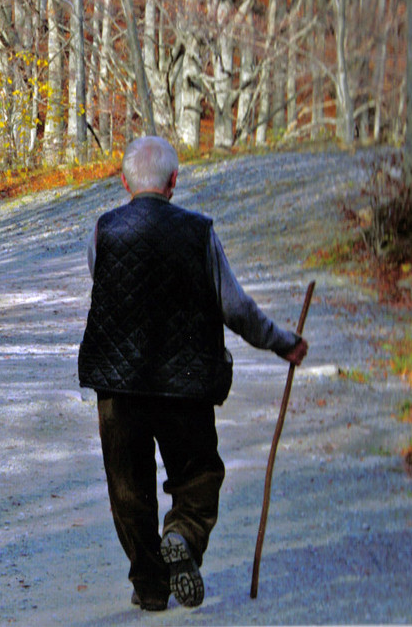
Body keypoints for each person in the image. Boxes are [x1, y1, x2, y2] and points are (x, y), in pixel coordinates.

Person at [77, 136, 308, 611]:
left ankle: (150, 588)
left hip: (118, 387)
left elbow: (102, 284)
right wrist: (282, 343)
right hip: (185, 384)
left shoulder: (103, 232)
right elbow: (237, 309)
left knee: (128, 489)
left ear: (124, 182)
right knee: (198, 476)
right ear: (174, 182)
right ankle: (182, 533)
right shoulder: (200, 233)